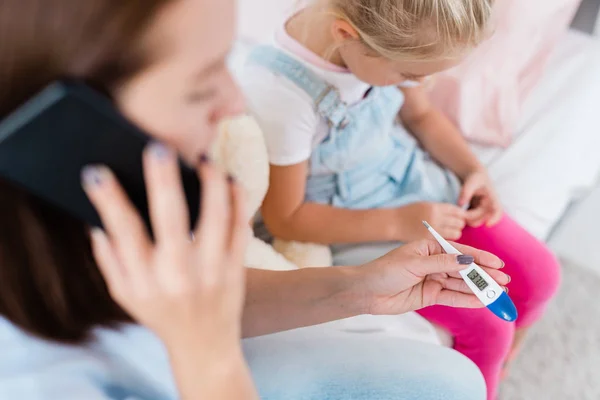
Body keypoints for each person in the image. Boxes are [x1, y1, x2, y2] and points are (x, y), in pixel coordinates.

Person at [0, 0, 509, 399]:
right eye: (201, 87)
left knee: (453, 382)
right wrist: (210, 359)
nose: (236, 102)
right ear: (63, 121)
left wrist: (362, 287)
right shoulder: (35, 377)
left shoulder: (138, 198)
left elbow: (209, 299)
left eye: (225, 61)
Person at [240, 0, 562, 398]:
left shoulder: (392, 37)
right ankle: (488, 382)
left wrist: (472, 170)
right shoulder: (282, 96)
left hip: (415, 190)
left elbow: (421, 117)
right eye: (411, 75)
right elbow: (285, 219)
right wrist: (398, 222)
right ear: (346, 35)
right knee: (488, 325)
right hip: (359, 228)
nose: (419, 83)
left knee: (541, 274)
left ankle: (508, 357)